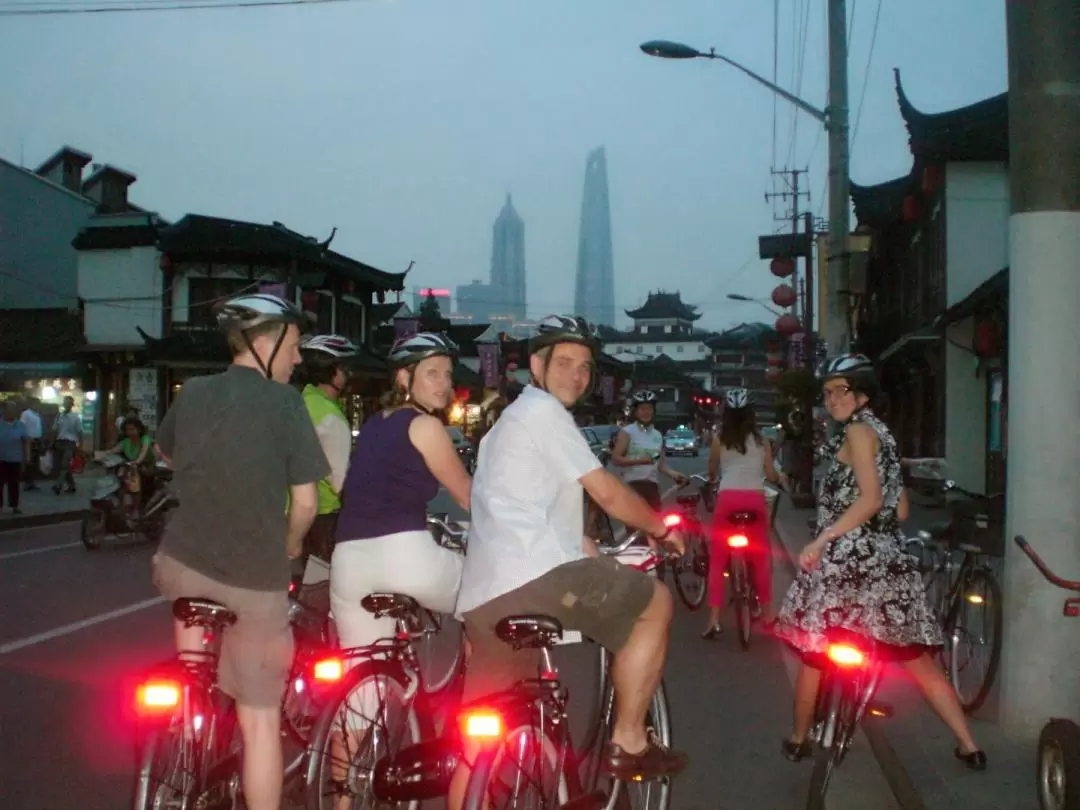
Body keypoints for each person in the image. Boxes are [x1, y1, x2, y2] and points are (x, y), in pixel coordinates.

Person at [450, 315, 689, 810]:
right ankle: (629, 740)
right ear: (536, 365)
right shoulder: (544, 413)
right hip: (536, 580)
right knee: (655, 604)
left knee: (475, 746)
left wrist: (594, 553)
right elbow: (606, 491)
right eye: (564, 362)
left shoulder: (504, 427)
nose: (577, 375)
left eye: (585, 366)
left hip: (482, 599)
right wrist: (660, 529)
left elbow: (538, 517)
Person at [150, 293, 330, 810]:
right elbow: (305, 502)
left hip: (180, 563)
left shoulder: (195, 391)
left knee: (192, 655)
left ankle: (187, 716)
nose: (298, 360)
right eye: (294, 347)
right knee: (259, 718)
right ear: (265, 344)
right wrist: (291, 544)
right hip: (253, 578)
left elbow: (166, 450)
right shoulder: (285, 403)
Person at [774, 354, 986, 771]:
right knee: (916, 659)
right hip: (887, 560)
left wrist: (825, 536)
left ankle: (799, 739)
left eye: (842, 390)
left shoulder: (855, 432)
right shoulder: (884, 436)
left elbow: (870, 500)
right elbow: (900, 509)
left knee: (815, 654)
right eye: (828, 391)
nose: (832, 398)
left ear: (863, 394)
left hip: (845, 560)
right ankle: (968, 745)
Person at [331, 331, 470, 657]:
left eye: (448, 374)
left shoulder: (373, 425)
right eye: (432, 373)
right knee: (484, 596)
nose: (444, 384)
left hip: (348, 561)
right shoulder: (425, 425)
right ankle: (475, 695)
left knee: (362, 671)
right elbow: (467, 496)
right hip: (403, 556)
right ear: (403, 377)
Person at [701, 387, 787, 639]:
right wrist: (779, 478)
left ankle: (714, 620)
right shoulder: (763, 441)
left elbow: (712, 470)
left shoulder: (719, 439)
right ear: (752, 414)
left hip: (727, 499)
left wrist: (714, 478)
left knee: (717, 560)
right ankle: (769, 614)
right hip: (754, 500)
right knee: (761, 557)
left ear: (726, 414)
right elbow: (770, 474)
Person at [294, 334, 362, 587]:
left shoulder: (299, 402)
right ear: (333, 373)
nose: (348, 375)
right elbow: (339, 481)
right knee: (323, 591)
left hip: (286, 512)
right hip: (322, 517)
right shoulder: (331, 418)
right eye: (345, 369)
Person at [611, 389, 689, 512]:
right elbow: (616, 459)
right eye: (642, 409)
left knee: (655, 527)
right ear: (635, 412)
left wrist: (675, 475)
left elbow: (661, 465)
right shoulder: (627, 432)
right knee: (635, 529)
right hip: (632, 486)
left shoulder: (657, 435)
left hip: (652, 487)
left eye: (649, 409)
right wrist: (640, 461)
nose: (646, 412)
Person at [97, 417, 157, 519]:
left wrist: (136, 462)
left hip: (147, 466)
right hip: (131, 465)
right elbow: (112, 451)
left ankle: (136, 509)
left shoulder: (145, 439)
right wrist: (99, 455)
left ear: (139, 429)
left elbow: (143, 453)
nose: (130, 432)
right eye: (127, 430)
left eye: (132, 429)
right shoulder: (125, 442)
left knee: (134, 480)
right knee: (120, 479)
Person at [0, 401, 28, 515]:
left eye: (14, 410)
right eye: (10, 410)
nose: (12, 412)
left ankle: (14, 505)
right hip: (1, 458)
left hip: (15, 459)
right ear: (4, 411)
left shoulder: (21, 425)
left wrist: (27, 457)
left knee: (14, 483)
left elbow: (26, 441)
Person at [51, 395, 81, 494]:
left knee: (64, 465)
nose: (66, 404)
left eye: (69, 403)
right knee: (63, 466)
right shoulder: (59, 416)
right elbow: (55, 430)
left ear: (72, 405)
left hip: (70, 443)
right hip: (59, 442)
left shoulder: (75, 417)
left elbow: (80, 432)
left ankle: (58, 485)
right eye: (65, 402)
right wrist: (52, 442)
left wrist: (80, 446)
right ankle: (72, 485)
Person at [19, 397, 43, 491]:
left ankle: (32, 482)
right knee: (29, 462)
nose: (38, 406)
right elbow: (22, 426)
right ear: (32, 404)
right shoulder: (26, 414)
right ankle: (27, 483)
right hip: (29, 441)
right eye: (36, 404)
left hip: (37, 440)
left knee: (35, 462)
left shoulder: (37, 414)